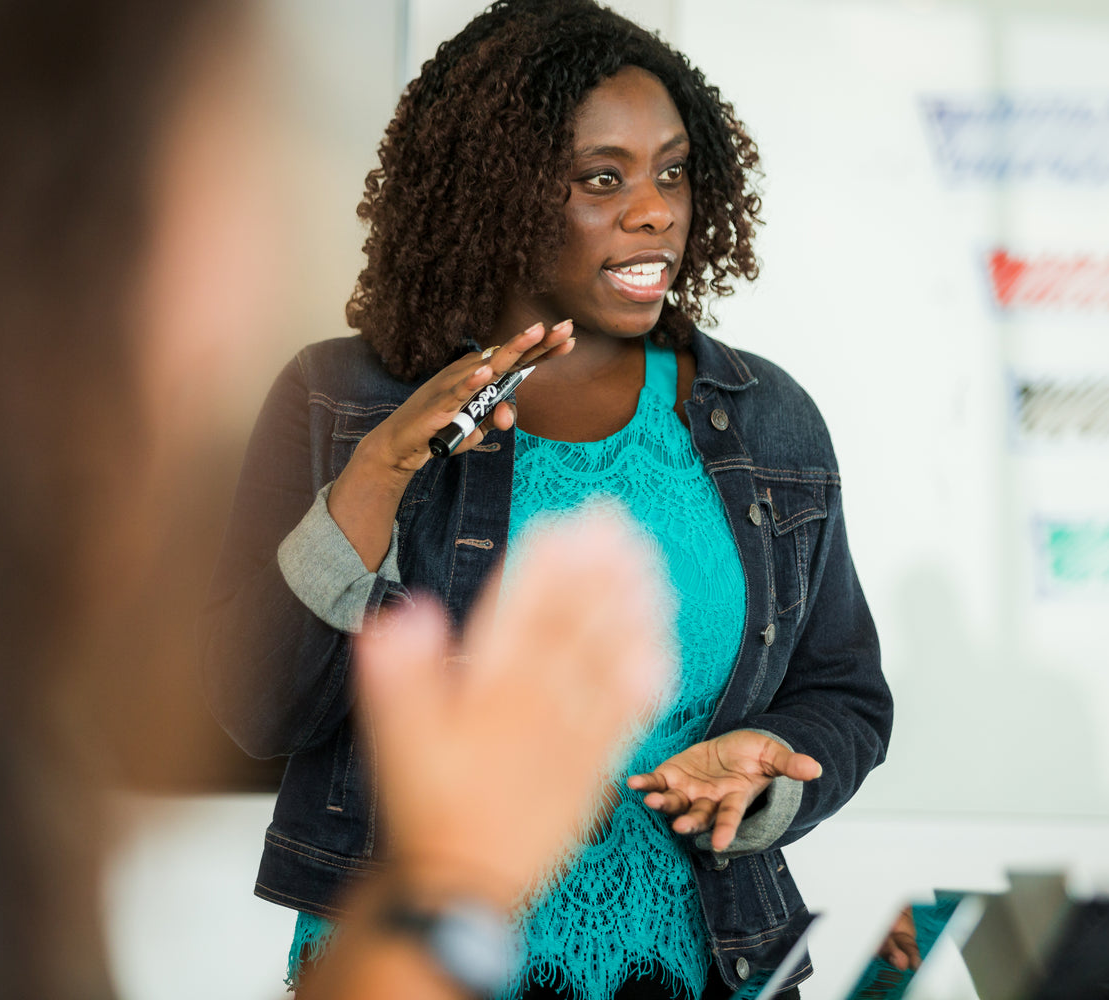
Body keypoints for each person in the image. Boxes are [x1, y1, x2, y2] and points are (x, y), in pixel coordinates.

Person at [0, 2, 670, 999]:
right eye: (240, 153)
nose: (258, 258)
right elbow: (257, 704)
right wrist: (455, 887)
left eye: (671, 173)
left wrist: (446, 885)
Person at [199, 1, 894, 998]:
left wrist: (768, 772)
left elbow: (846, 692)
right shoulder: (343, 401)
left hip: (698, 965)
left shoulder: (768, 421)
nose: (656, 209)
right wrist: (381, 472)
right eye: (602, 178)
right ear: (501, 195)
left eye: (673, 170)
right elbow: (256, 707)